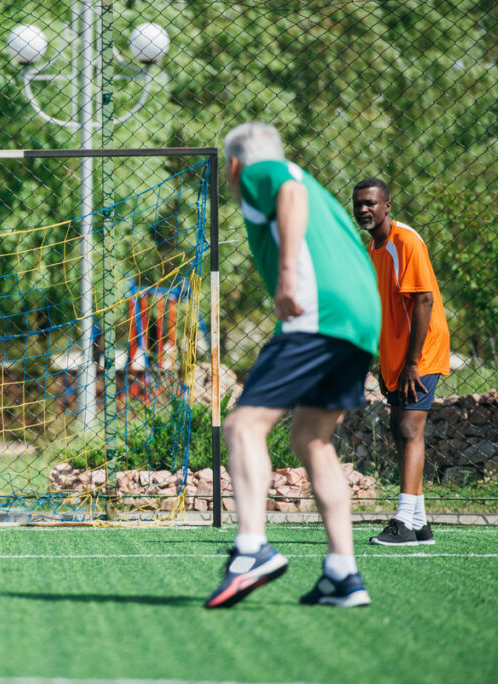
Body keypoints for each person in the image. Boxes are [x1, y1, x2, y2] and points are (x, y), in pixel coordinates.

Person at [205, 122, 381, 609]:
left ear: (234, 165)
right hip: (361, 320)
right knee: (310, 437)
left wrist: (286, 275)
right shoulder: (317, 190)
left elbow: (287, 191)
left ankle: (251, 548)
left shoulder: (264, 171)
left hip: (318, 313)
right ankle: (343, 573)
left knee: (242, 425)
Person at [353, 178, 450, 546]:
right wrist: (384, 361)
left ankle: (403, 523)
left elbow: (423, 301)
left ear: (387, 206)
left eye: (371, 203)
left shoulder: (405, 241)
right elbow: (383, 312)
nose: (364, 209)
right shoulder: (373, 251)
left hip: (421, 352)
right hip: (399, 356)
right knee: (400, 429)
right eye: (359, 203)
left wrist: (410, 363)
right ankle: (420, 523)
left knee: (410, 430)